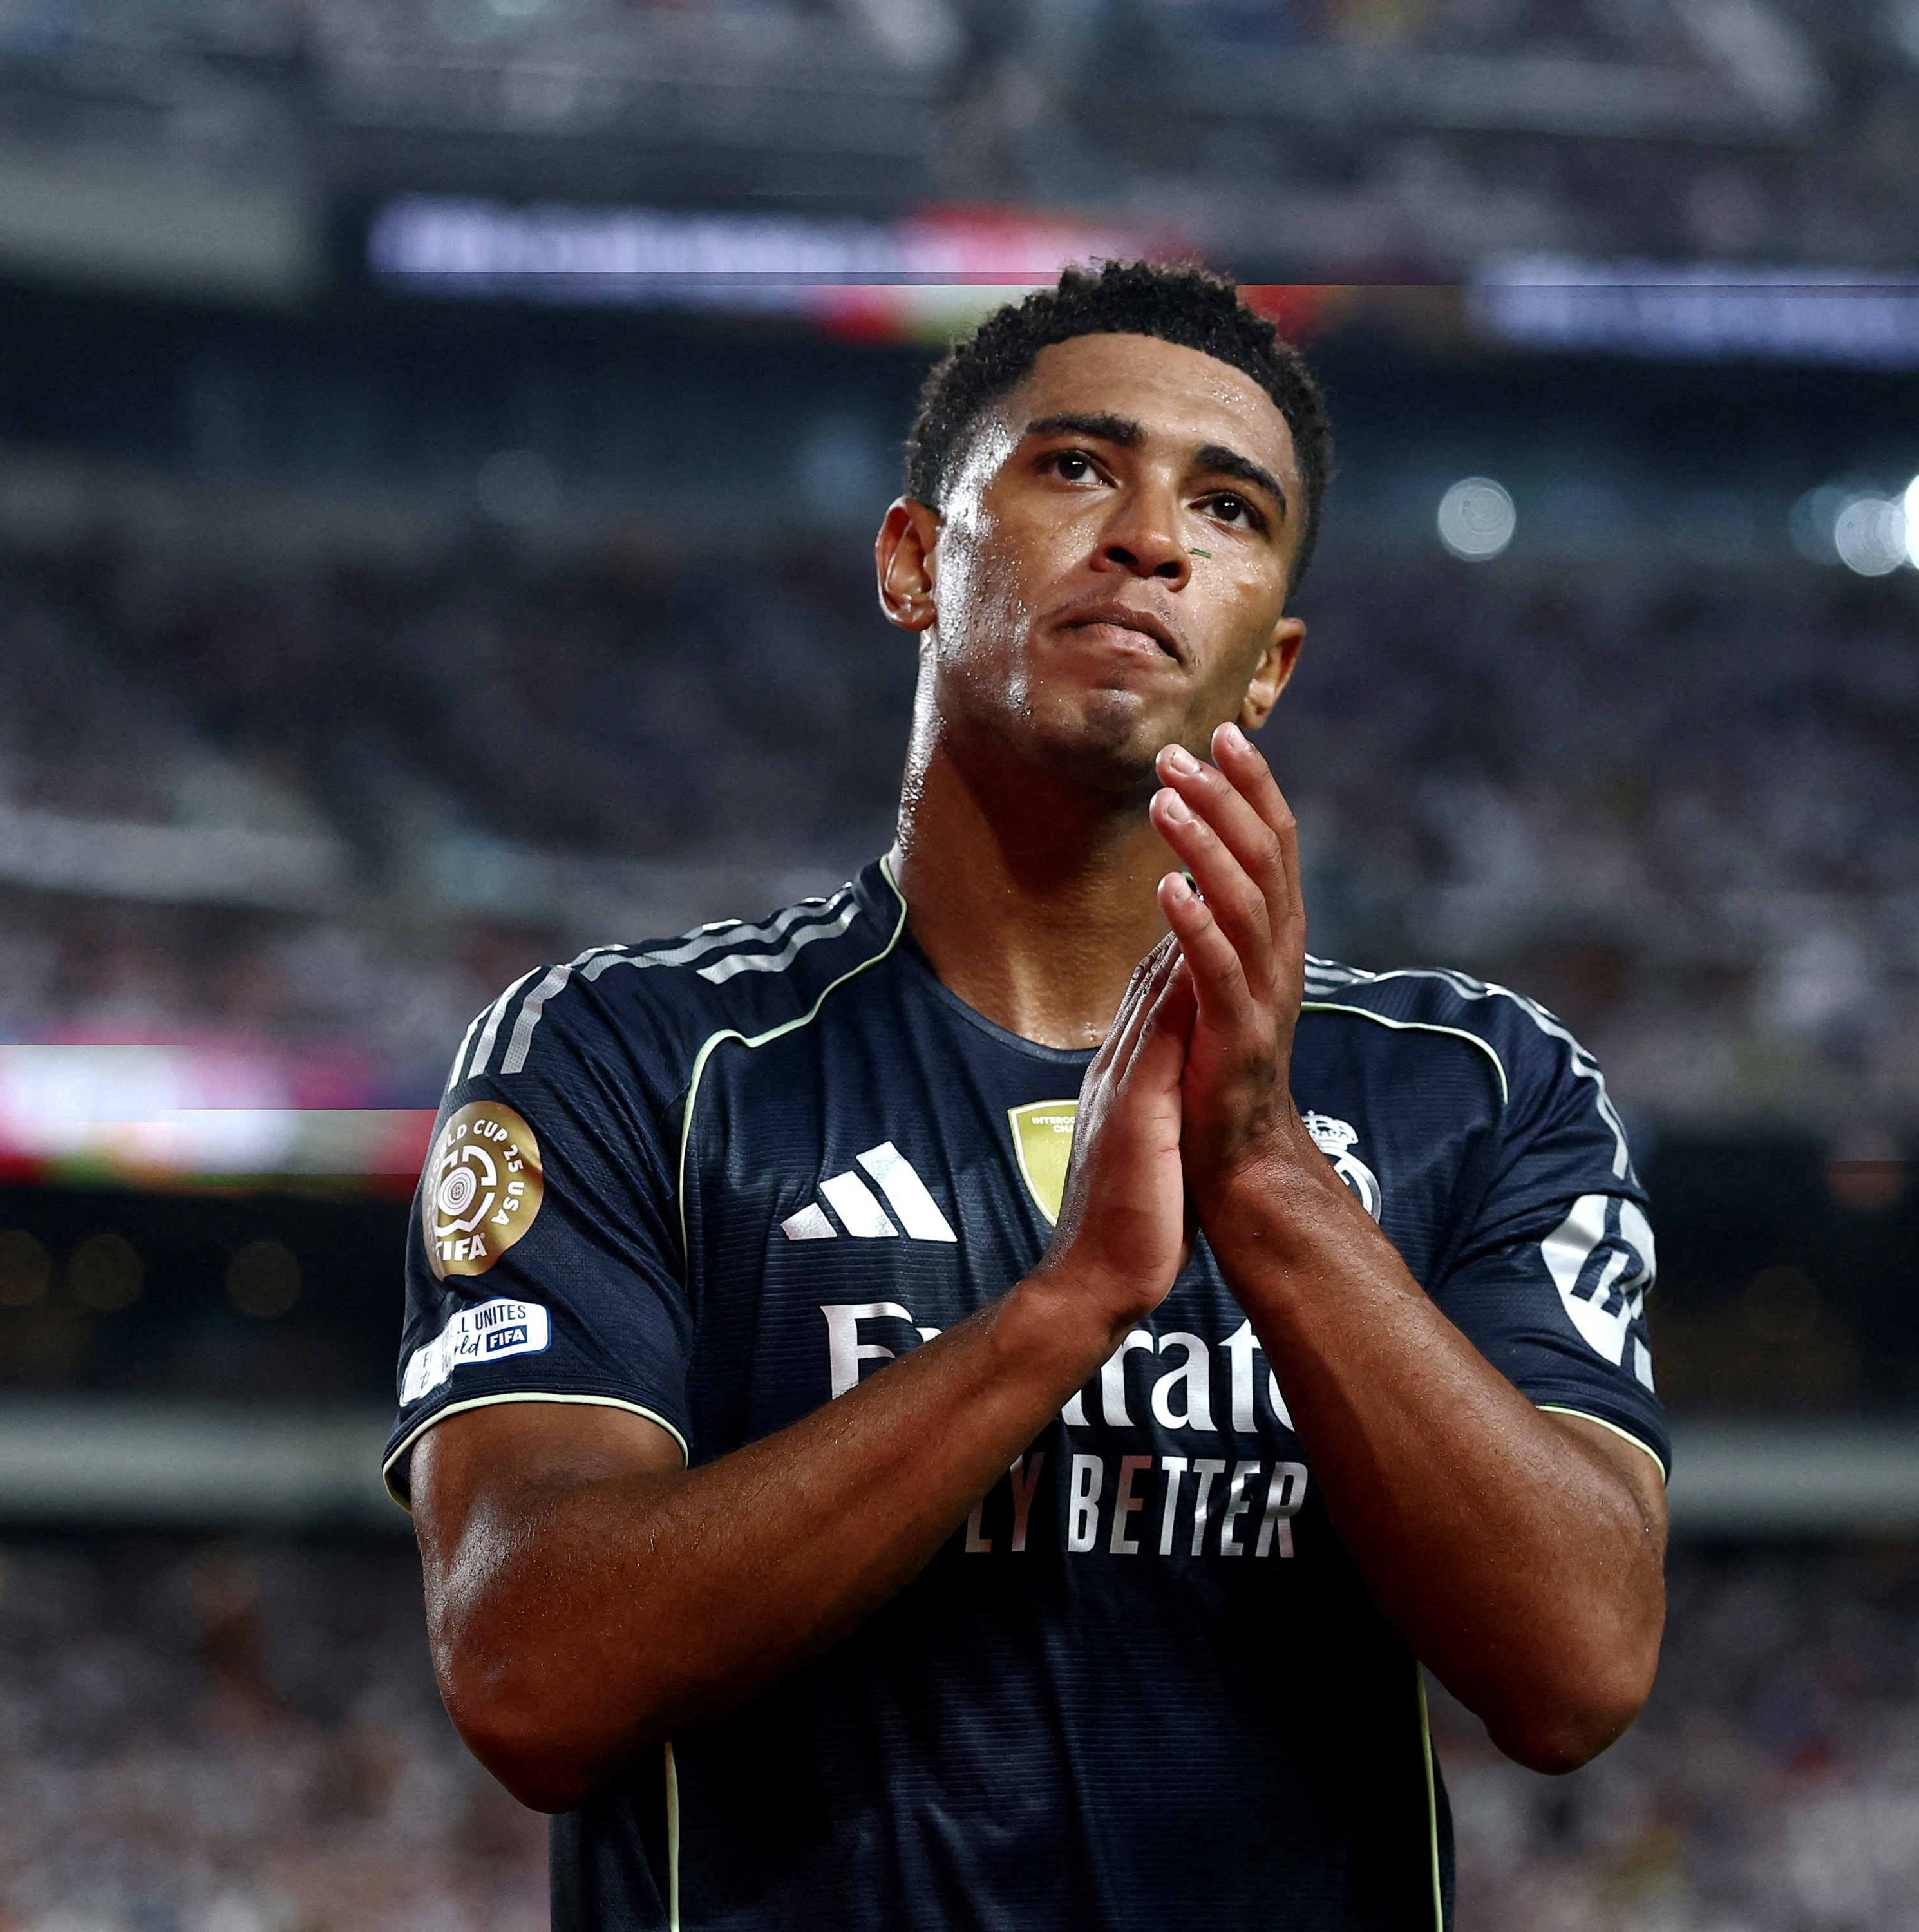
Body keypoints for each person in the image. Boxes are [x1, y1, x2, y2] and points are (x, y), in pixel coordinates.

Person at [386, 260, 1668, 1931]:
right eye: (1075, 467)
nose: (1150, 536)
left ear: (1267, 664)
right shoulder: (626, 1058)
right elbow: (529, 1677)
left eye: (1225, 506)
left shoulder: (1475, 1091)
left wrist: (1269, 1185)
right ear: (915, 562)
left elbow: (1575, 1673)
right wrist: (1061, 1313)